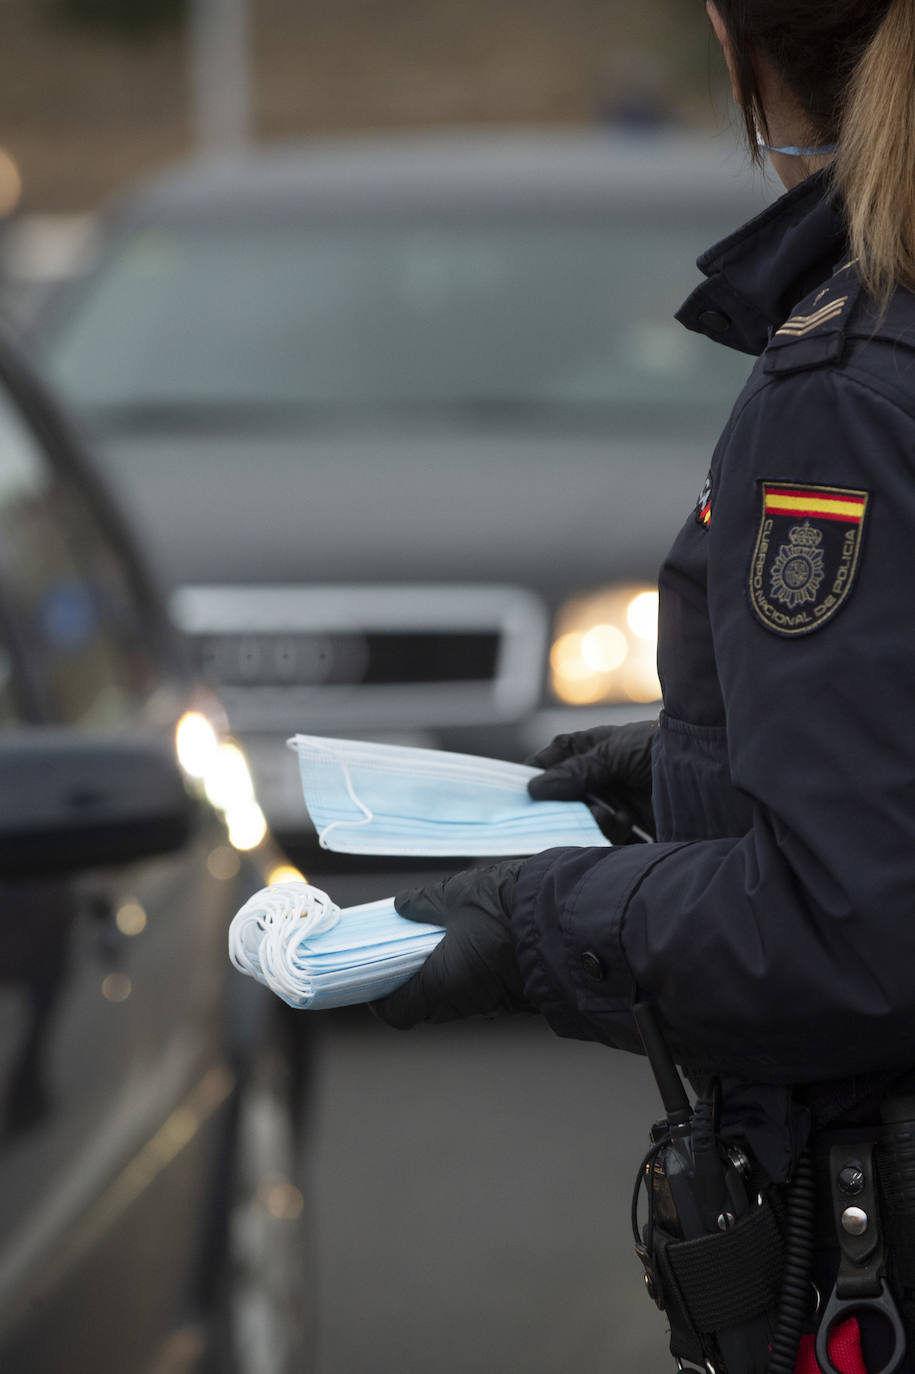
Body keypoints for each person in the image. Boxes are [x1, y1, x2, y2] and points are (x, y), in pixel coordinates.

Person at [374, 2, 915, 1370]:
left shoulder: (848, 382)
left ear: (738, 44)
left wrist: (536, 915)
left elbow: (850, 920)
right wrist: (692, 767)